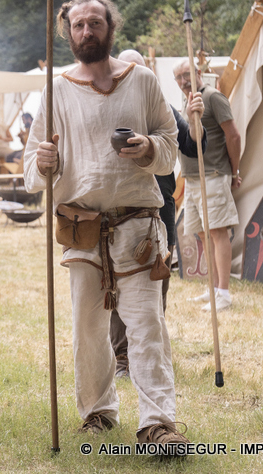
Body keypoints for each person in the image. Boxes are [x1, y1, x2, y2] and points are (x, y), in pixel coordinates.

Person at [23, 0, 189, 453]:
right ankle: (98, 413)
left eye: (94, 23)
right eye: (77, 25)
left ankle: (158, 423)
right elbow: (31, 171)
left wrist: (150, 148)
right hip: (82, 227)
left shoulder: (143, 82)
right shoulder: (56, 90)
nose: (86, 31)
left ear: (110, 27)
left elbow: (171, 145)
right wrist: (45, 160)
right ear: (67, 32)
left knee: (146, 325)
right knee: (89, 330)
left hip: (138, 226)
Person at [110, 50, 205, 379]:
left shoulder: (162, 107)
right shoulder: (110, 105)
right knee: (116, 284)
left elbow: (192, 148)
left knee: (157, 278)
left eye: (139, 68)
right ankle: (121, 357)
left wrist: (194, 119)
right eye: (127, 68)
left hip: (159, 209)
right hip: (119, 210)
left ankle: (149, 351)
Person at [173, 60, 241, 312]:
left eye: (186, 75)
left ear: (198, 73)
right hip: (192, 179)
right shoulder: (187, 104)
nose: (183, 81)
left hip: (212, 174)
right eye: (178, 78)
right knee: (202, 234)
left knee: (217, 232)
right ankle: (213, 289)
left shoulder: (213, 97)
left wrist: (234, 171)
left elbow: (233, 135)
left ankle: (224, 292)